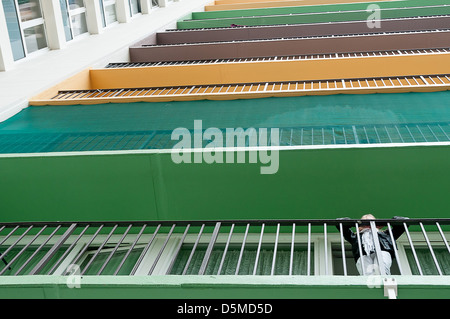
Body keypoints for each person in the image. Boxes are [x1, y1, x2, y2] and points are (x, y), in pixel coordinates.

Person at [336, 214, 409, 276]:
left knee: (382, 270)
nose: (368, 225)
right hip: (363, 255)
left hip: (383, 251)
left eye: (371, 222)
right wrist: (356, 223)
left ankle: (385, 283)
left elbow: (404, 221)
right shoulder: (355, 236)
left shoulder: (386, 234)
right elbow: (339, 222)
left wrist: (383, 223)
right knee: (367, 275)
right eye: (365, 223)